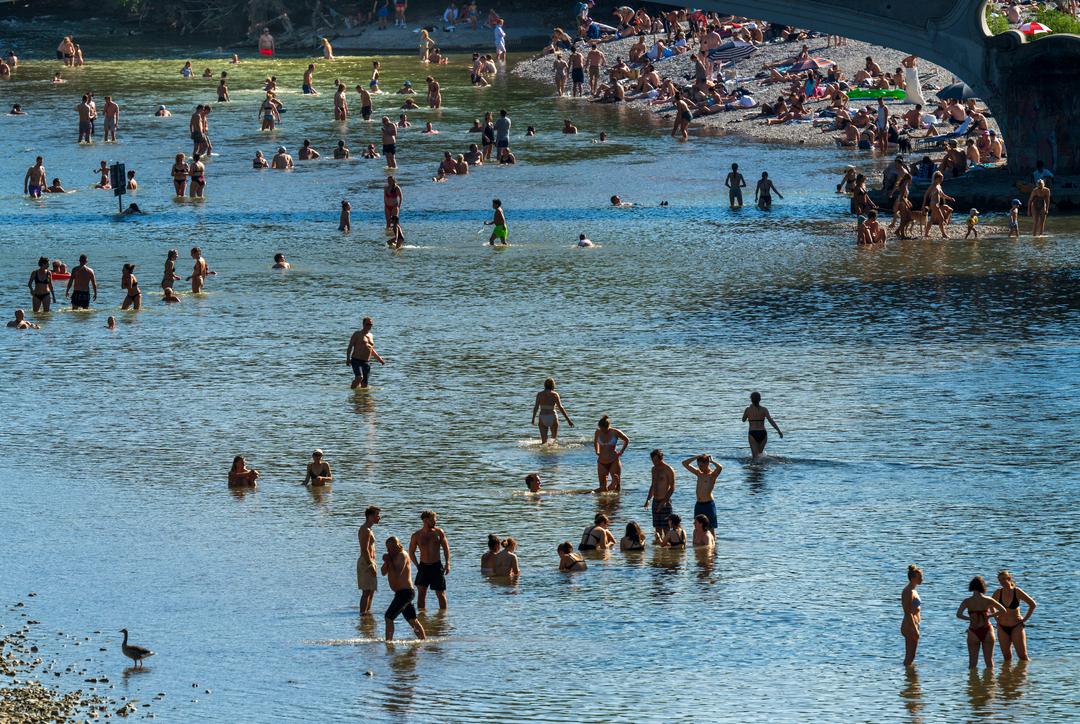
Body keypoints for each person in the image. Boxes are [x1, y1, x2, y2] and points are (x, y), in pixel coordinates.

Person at [956, 576, 1007, 669]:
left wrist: (970, 619)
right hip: (987, 629)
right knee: (989, 662)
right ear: (982, 587)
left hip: (973, 631)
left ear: (971, 586)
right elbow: (1003, 610)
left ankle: (973, 683)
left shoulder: (967, 601)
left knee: (972, 663)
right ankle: (990, 683)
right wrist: (990, 616)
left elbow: (958, 614)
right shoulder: (988, 599)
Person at [381, 536, 426, 641]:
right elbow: (383, 572)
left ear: (398, 546)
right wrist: (387, 561)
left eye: (392, 547)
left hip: (406, 593)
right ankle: (423, 641)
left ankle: (389, 643)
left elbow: (397, 573)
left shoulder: (402, 555)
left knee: (388, 617)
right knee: (412, 620)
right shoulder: (392, 557)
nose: (389, 550)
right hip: (400, 593)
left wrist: (389, 561)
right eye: (388, 548)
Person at [408, 510, 451, 610]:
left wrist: (447, 563)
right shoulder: (416, 535)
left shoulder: (439, 532)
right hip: (423, 566)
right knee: (421, 594)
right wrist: (417, 565)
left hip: (436, 566)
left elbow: (446, 548)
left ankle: (443, 618)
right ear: (426, 520)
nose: (435, 522)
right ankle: (422, 618)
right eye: (433, 520)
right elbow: (411, 552)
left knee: (440, 593)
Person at [991, 570, 1036, 662]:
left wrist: (1024, 619)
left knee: (1023, 657)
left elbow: (1032, 604)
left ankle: (1026, 674)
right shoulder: (998, 592)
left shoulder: (1017, 591)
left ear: (1009, 578)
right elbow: (990, 605)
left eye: (1004, 579)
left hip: (1016, 626)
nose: (1002, 582)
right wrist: (996, 618)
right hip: (1002, 627)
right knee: (1007, 658)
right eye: (1000, 580)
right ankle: (1008, 676)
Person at [682, 454, 721, 531]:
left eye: (701, 466)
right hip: (699, 504)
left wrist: (712, 461)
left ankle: (712, 543)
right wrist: (697, 457)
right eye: (698, 465)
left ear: (707, 464)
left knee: (710, 528)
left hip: (708, 504)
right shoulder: (699, 473)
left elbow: (720, 467)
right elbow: (684, 463)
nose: (700, 467)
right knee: (697, 528)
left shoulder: (712, 475)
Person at [347, 317, 386, 389]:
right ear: (363, 324)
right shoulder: (357, 334)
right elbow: (350, 346)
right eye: (367, 324)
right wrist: (348, 358)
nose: (369, 326)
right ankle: (351, 391)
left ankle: (360, 398)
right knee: (359, 377)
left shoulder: (371, 335)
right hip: (356, 360)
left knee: (364, 385)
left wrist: (379, 359)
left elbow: (371, 349)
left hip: (366, 362)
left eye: (371, 324)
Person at [531, 378, 573, 443]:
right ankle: (552, 452)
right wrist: (568, 420)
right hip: (552, 416)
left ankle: (544, 452)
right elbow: (561, 408)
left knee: (544, 442)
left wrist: (533, 418)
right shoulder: (555, 394)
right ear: (553, 385)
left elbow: (536, 407)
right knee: (553, 441)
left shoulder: (539, 394)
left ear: (544, 385)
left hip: (542, 416)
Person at [743, 391, 782, 459]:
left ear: (751, 399)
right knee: (760, 455)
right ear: (760, 399)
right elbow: (771, 421)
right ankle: (762, 468)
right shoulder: (764, 409)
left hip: (753, 433)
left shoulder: (748, 409)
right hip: (763, 433)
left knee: (755, 457)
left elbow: (743, 420)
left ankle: (755, 468)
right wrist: (779, 431)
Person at [644, 448, 675, 536]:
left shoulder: (668, 469)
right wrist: (648, 500)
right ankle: (658, 549)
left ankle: (668, 547)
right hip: (655, 501)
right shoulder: (654, 469)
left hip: (665, 501)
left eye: (656, 460)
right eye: (653, 461)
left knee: (666, 528)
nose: (655, 463)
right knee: (657, 529)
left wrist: (664, 501)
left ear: (661, 458)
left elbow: (672, 487)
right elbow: (652, 485)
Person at [594, 415, 629, 492]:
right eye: (601, 429)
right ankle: (603, 501)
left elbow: (626, 440)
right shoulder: (597, 432)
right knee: (602, 487)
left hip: (613, 460)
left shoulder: (615, 432)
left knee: (616, 486)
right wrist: (597, 451)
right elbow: (595, 442)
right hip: (601, 462)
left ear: (608, 426)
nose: (602, 431)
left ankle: (616, 501)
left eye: (604, 429)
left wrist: (621, 451)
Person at [358, 507, 381, 615]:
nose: (379, 517)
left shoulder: (369, 529)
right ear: (370, 516)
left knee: (371, 590)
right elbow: (364, 549)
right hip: (366, 562)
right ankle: (363, 615)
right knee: (366, 591)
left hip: (370, 561)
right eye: (377, 515)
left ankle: (367, 614)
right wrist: (370, 564)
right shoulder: (365, 529)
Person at [901, 565, 923, 666]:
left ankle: (910, 678)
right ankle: (909, 679)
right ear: (913, 578)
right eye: (920, 577)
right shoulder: (908, 591)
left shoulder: (913, 590)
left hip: (914, 624)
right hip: (910, 625)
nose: (922, 579)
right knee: (910, 656)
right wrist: (915, 629)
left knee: (911, 656)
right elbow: (907, 612)